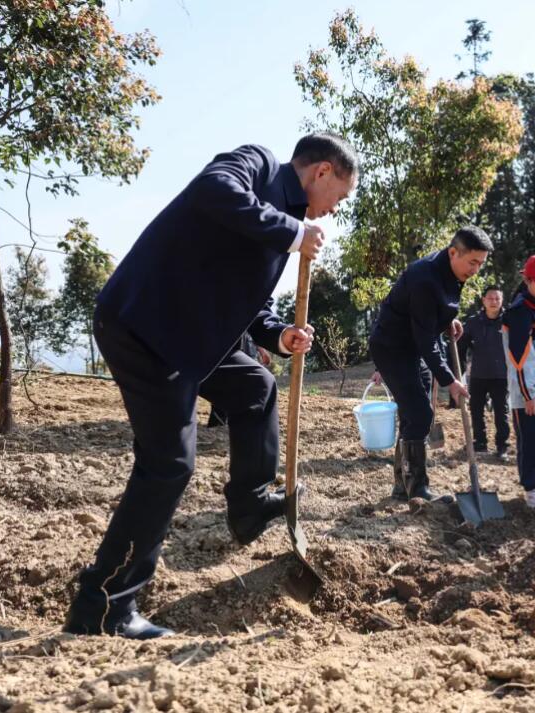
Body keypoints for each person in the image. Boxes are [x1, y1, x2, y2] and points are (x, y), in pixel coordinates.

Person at [63, 133, 358, 639]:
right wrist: (291, 231)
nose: (335, 210)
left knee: (256, 386)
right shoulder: (257, 166)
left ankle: (248, 506)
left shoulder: (280, 226)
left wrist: (279, 334)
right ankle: (105, 605)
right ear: (322, 173)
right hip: (146, 327)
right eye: (341, 197)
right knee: (168, 464)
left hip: (191, 336)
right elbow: (211, 189)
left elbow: (246, 303)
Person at [368, 227, 492, 502]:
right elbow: (426, 340)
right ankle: (417, 489)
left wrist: (446, 320)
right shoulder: (425, 278)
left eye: (481, 264)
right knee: (422, 414)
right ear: (452, 252)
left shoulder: (450, 272)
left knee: (414, 413)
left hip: (411, 346)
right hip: (393, 347)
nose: (475, 270)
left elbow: (429, 314)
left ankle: (402, 486)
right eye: (472, 262)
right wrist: (450, 380)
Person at [503, 255, 535, 511]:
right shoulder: (521, 312)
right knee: (530, 442)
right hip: (529, 396)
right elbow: (520, 359)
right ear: (527, 279)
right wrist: (528, 394)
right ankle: (532, 488)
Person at [457, 285, 511, 460]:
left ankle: (502, 446)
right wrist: (462, 370)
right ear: (484, 300)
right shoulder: (473, 322)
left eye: (497, 298)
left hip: (501, 375)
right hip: (479, 374)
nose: (494, 302)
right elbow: (461, 346)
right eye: (490, 298)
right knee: (476, 409)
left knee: (501, 412)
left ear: (502, 301)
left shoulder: (509, 321)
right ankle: (480, 442)